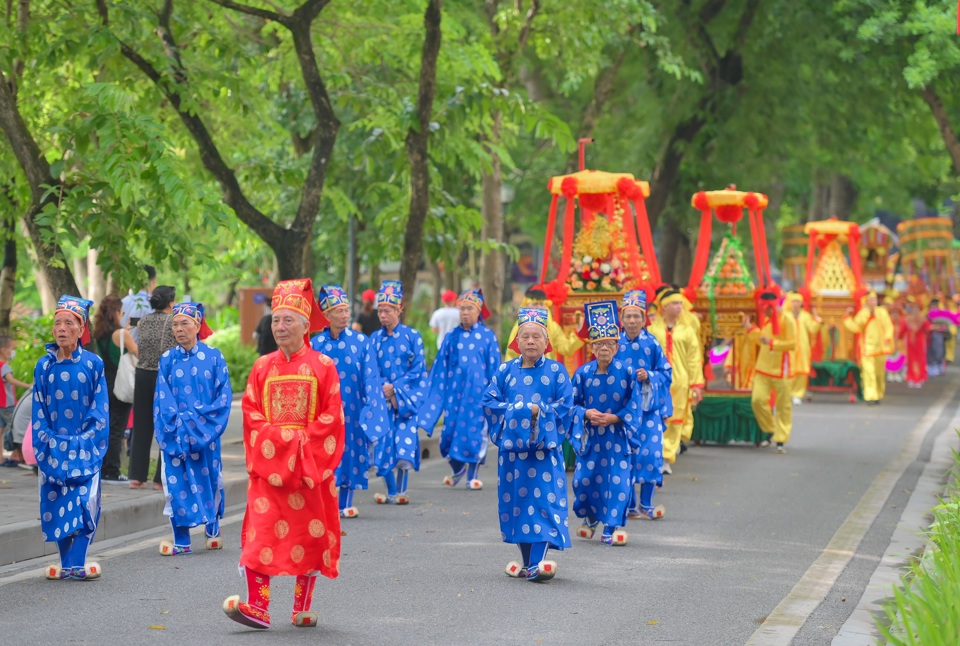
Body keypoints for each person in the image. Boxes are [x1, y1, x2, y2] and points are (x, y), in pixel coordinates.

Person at [223, 278, 344, 630]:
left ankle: (301, 606)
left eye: (288, 319)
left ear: (306, 325)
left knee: (308, 534)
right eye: (275, 319)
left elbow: (331, 417)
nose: (279, 326)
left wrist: (299, 447)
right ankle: (257, 607)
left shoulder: (324, 365)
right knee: (260, 532)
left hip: (310, 469)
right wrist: (283, 443)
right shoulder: (262, 368)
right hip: (269, 467)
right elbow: (251, 415)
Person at [482, 307, 572, 582]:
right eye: (526, 336)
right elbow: (489, 403)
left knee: (545, 501)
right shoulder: (504, 371)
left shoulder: (557, 371)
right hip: (514, 456)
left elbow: (565, 406)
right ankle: (528, 562)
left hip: (545, 454)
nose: (531, 341)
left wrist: (539, 411)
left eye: (536, 337)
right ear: (517, 342)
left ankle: (537, 562)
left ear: (546, 342)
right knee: (518, 503)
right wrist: (523, 411)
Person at [32, 296, 108, 580]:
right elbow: (39, 408)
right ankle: (68, 565)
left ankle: (76, 562)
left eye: (68, 323)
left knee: (85, 502)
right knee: (55, 504)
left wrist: (84, 442)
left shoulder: (93, 364)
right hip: (52, 447)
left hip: (86, 447)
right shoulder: (44, 366)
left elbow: (100, 410)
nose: (61, 328)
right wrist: (48, 442)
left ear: (81, 327)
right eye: (57, 323)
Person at [154, 303, 231, 555]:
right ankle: (182, 540)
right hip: (175, 434)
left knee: (210, 479)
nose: (179, 329)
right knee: (175, 484)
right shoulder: (166, 360)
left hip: (206, 435)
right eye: (175, 324)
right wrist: (178, 426)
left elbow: (222, 398)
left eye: (184, 323)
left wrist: (199, 425)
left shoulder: (214, 357)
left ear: (197, 326)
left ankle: (212, 529)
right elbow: (161, 399)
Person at [570, 301, 646, 547]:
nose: (604, 348)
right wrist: (585, 413)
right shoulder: (582, 373)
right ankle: (592, 518)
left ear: (617, 347)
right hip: (591, 438)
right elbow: (571, 405)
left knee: (617, 481)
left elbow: (635, 404)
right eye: (599, 344)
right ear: (592, 347)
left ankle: (611, 527)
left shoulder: (627, 372)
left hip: (615, 438)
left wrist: (616, 417)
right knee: (585, 480)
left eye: (610, 344)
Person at [310, 285, 388, 518]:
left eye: (346, 310)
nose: (345, 315)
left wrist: (372, 406)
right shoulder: (316, 345)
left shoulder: (361, 342)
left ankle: (345, 503)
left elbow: (371, 376)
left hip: (353, 408)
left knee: (350, 452)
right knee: (326, 453)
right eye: (339, 311)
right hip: (325, 410)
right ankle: (328, 502)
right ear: (326, 315)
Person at [418, 288, 501, 490]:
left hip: (478, 397)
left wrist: (495, 395)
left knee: (474, 436)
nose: (465, 313)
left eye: (469, 309)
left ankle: (472, 475)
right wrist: (433, 397)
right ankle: (457, 470)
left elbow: (495, 368)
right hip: (454, 397)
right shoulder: (451, 337)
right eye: (462, 308)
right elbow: (440, 369)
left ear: (478, 311)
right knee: (448, 437)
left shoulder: (487, 337)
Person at [369, 280, 427, 505]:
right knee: (381, 447)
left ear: (399, 310)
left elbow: (418, 370)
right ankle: (391, 491)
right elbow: (370, 369)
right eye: (380, 310)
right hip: (381, 400)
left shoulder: (413, 336)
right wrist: (383, 387)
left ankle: (399, 491)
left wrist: (396, 389)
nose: (383, 315)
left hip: (404, 401)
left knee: (403, 447)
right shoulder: (373, 339)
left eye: (388, 310)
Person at [616, 290, 672, 520]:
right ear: (621, 318)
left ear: (644, 318)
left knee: (650, 456)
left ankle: (646, 504)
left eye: (636, 316)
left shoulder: (652, 344)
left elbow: (666, 373)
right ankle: (628, 506)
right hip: (621, 412)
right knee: (624, 457)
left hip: (649, 411)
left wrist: (648, 375)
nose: (632, 321)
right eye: (628, 316)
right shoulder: (614, 343)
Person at [648, 289, 703, 472]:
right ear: (664, 307)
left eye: (680, 303)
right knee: (656, 418)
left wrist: (696, 384)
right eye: (675, 303)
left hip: (680, 381)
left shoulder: (687, 330)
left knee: (676, 418)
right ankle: (655, 453)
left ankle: (666, 458)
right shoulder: (653, 329)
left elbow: (694, 358)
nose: (679, 307)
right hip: (657, 382)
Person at [129, 285, 178, 489]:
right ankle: (159, 479)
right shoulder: (173, 322)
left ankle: (136, 477)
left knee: (141, 426)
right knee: (165, 425)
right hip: (163, 376)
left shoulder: (143, 321)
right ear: (171, 302)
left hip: (141, 374)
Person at [90, 295, 139, 484]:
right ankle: (113, 470)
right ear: (117, 312)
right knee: (117, 428)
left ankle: (103, 468)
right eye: (122, 312)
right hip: (120, 385)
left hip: (105, 384)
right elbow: (138, 352)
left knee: (106, 427)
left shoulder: (100, 332)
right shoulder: (122, 334)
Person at [749, 291, 797, 454]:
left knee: (783, 406)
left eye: (766, 309)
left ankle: (781, 439)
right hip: (763, 368)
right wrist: (751, 330)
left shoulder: (787, 320)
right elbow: (761, 340)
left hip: (781, 370)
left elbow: (792, 344)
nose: (764, 312)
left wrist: (772, 343)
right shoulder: (767, 320)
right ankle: (770, 429)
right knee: (757, 400)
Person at [504, 286, 584, 362]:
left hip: (548, 372)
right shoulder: (519, 326)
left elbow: (566, 348)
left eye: (542, 304)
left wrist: (580, 332)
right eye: (535, 304)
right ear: (526, 305)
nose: (539, 307)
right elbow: (511, 355)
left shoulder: (553, 327)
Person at [843, 291, 894, 406]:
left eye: (875, 300)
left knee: (879, 374)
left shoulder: (882, 312)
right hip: (867, 348)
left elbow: (888, 326)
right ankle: (870, 396)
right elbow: (856, 327)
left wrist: (888, 337)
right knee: (868, 373)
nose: (873, 302)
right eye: (871, 300)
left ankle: (878, 394)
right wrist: (847, 318)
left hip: (881, 348)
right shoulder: (863, 314)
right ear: (866, 302)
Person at [784, 293, 822, 405]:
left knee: (801, 372)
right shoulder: (785, 316)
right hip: (789, 347)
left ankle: (797, 394)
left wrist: (816, 318)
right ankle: (787, 393)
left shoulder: (805, 316)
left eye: (798, 302)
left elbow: (813, 329)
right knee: (789, 371)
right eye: (794, 301)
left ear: (801, 303)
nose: (796, 304)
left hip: (803, 347)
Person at [0, 335, 31, 467]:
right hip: (7, 404)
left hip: (1, 404)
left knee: (1, 430)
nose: (13, 352)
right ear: (3, 350)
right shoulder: (4, 366)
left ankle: (1, 458)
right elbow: (11, 380)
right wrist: (28, 386)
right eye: (12, 348)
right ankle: (17, 455)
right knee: (15, 428)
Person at [121, 264, 157, 342]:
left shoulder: (123, 302)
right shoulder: (153, 304)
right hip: (141, 351)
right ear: (153, 281)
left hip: (121, 351)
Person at [900, 298, 929, 388]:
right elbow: (901, 331)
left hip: (920, 343)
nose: (915, 310)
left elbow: (928, 328)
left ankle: (919, 378)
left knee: (920, 360)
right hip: (910, 344)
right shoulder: (907, 319)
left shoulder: (922, 319)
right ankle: (911, 378)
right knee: (911, 361)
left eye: (917, 308)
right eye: (914, 308)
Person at [927, 297, 948, 377]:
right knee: (930, 351)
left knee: (939, 351)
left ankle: (940, 365)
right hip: (929, 335)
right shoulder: (927, 314)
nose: (934, 307)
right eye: (933, 305)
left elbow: (945, 326)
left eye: (935, 305)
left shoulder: (941, 314)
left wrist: (938, 328)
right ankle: (932, 366)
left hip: (938, 335)